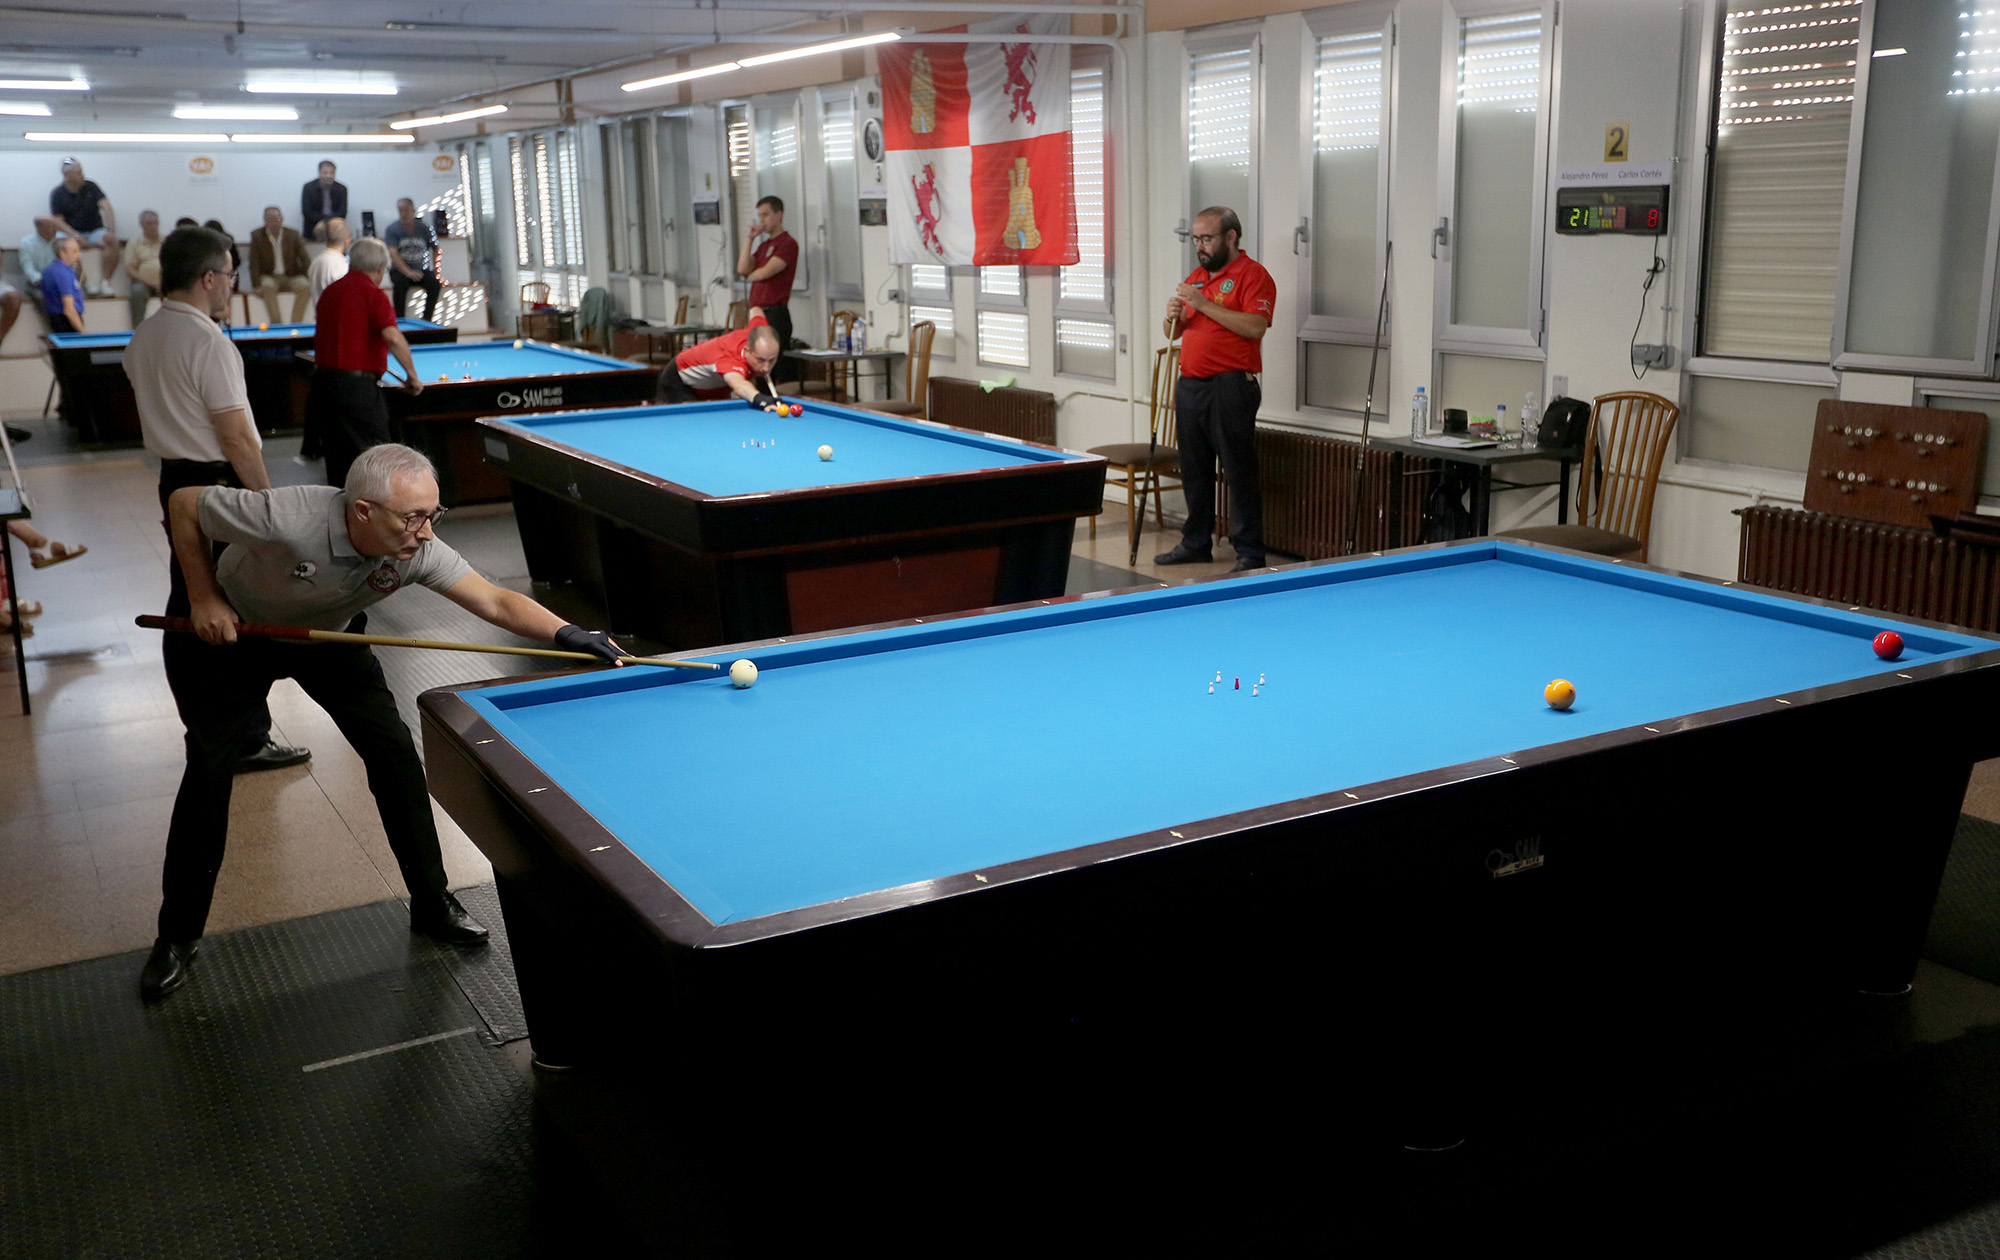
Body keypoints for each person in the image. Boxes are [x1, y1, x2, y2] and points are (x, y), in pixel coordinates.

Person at [140, 443, 631, 999]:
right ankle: (176, 936)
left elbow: (494, 601)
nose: (425, 532)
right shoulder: (286, 515)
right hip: (237, 633)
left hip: (330, 636)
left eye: (433, 515)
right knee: (208, 773)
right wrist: (202, 596)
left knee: (395, 757)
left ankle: (431, 903)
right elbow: (184, 502)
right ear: (363, 510)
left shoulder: (415, 549)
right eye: (413, 517)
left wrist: (571, 634)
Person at [125, 224, 312, 780]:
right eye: (230, 274)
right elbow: (234, 435)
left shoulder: (145, 335)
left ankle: (210, 728)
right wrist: (268, 503)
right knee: (235, 601)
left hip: (173, 479)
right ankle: (244, 737)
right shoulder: (207, 341)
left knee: (189, 597)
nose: (233, 284)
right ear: (209, 278)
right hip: (215, 482)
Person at [1154, 206, 1275, 574]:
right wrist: (1172, 314)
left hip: (1231, 386)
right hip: (1192, 385)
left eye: (1207, 238)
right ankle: (1196, 542)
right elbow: (1173, 333)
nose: (1200, 246)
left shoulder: (1252, 275)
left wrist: (1203, 304)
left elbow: (1255, 327)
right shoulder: (1197, 276)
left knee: (1238, 470)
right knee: (1194, 468)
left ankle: (1250, 551)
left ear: (1231, 237)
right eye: (1196, 239)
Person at [309, 236, 423, 488]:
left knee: (337, 457)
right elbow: (392, 336)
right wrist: (412, 375)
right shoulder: (374, 294)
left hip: (323, 384)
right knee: (377, 456)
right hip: (355, 389)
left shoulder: (330, 291)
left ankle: (342, 515)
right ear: (381, 268)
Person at [660, 307, 789, 411]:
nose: (766, 368)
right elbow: (739, 384)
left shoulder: (759, 331)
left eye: (772, 360)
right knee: (693, 424)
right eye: (760, 360)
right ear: (748, 350)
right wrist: (759, 398)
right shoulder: (731, 357)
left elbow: (755, 310)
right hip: (679, 381)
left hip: (714, 385)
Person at [738, 196, 800, 384]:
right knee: (758, 365)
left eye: (766, 215)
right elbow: (742, 269)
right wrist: (750, 239)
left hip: (775, 314)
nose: (762, 220)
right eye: (759, 216)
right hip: (758, 314)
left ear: (779, 215)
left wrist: (752, 274)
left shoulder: (787, 244)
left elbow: (763, 273)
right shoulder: (764, 246)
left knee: (775, 365)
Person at [49, 158, 119, 298]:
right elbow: (59, 223)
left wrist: (110, 230)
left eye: (81, 171)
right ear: (67, 175)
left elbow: (107, 208)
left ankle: (105, 283)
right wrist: (76, 237)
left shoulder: (91, 186)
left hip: (95, 231)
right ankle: (84, 282)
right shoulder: (57, 194)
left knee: (112, 240)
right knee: (66, 245)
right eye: (78, 172)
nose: (82, 175)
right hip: (72, 232)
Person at [249, 205, 312, 324]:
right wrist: (255, 285)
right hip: (270, 276)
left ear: (282, 218)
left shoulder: (293, 234)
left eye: (277, 219)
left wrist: (306, 275)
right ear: (264, 220)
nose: (273, 223)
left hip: (291, 275)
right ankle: (276, 323)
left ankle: (296, 323)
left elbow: (305, 258)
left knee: (305, 286)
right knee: (266, 286)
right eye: (269, 219)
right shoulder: (257, 236)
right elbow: (254, 263)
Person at [382, 198, 441, 321]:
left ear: (413, 211)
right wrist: (408, 272)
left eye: (406, 210)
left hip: (420, 269)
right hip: (400, 271)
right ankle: (400, 319)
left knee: (434, 284)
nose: (403, 214)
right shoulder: (392, 229)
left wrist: (436, 270)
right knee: (399, 284)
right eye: (400, 211)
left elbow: (436, 249)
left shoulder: (425, 229)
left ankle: (427, 319)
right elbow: (393, 253)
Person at [40, 235, 86, 334]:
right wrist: (83, 333)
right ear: (62, 253)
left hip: (53, 318)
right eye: (74, 252)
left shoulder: (49, 270)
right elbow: (69, 309)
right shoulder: (64, 274)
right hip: (67, 322)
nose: (79, 255)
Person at [126, 209, 165, 326]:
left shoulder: (167, 242)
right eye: (149, 223)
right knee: (137, 291)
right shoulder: (134, 243)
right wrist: (151, 283)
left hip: (165, 282)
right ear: (141, 225)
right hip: (143, 283)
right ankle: (137, 329)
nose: (153, 226)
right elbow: (130, 269)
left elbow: (175, 265)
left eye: (156, 223)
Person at [306, 216, 351, 315]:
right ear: (347, 239)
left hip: (321, 321)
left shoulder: (315, 262)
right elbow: (345, 298)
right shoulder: (341, 265)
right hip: (337, 321)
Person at [301, 160, 348, 242]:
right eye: (325, 173)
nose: (328, 176)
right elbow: (307, 212)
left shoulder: (341, 189)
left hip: (335, 228)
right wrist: (321, 222)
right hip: (313, 227)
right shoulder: (309, 188)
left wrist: (326, 223)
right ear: (319, 172)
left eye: (332, 173)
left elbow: (342, 212)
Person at [17, 215, 63, 291]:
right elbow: (28, 269)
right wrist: (46, 282)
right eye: (51, 227)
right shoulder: (26, 243)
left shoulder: (62, 239)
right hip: (39, 282)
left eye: (56, 227)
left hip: (62, 281)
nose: (55, 230)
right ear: (39, 228)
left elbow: (70, 264)